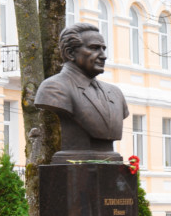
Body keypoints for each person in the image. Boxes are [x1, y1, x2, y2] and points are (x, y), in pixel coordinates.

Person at [35, 22, 129, 159]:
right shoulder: (54, 88)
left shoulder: (115, 93)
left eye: (103, 49)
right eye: (94, 48)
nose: (103, 56)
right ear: (70, 53)